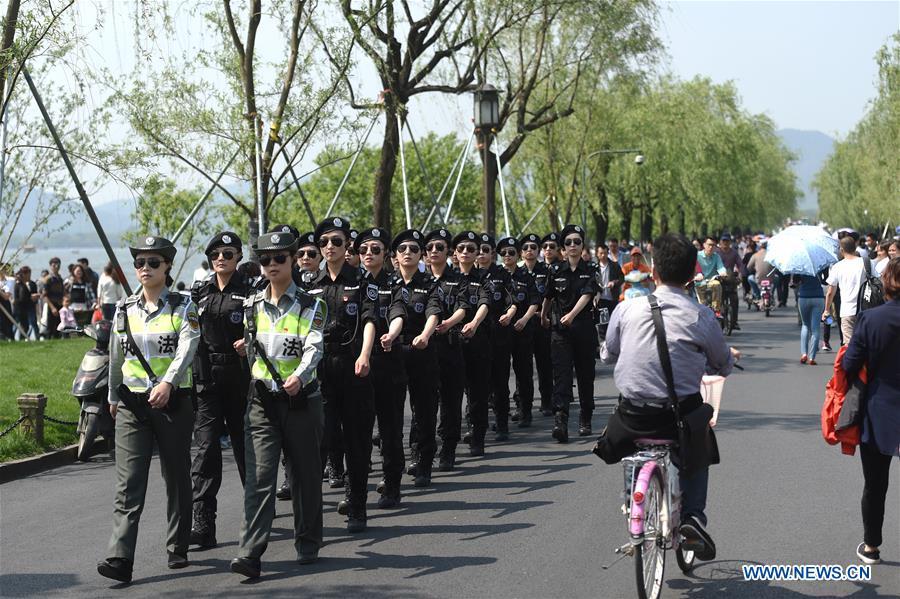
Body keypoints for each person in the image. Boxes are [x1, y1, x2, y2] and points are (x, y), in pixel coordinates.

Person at [598, 232, 739, 562]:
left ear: (654, 271)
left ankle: (636, 499)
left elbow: (608, 355)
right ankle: (692, 517)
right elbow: (721, 364)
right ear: (693, 273)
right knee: (701, 429)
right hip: (677, 418)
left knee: (634, 429)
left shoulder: (626, 310)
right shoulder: (701, 317)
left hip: (632, 416)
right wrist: (726, 358)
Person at [97, 236, 200, 584]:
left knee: (175, 474)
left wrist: (168, 383)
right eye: (140, 263)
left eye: (153, 263)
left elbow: (188, 348)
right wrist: (112, 396)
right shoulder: (124, 308)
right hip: (132, 403)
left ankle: (177, 545)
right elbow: (116, 355)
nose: (145, 269)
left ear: (167, 266)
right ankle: (120, 557)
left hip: (173, 401)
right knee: (128, 484)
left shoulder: (184, 306)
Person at [227, 231, 327, 579]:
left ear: (293, 259)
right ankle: (250, 552)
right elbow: (255, 347)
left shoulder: (312, 304)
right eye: (265, 260)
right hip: (261, 402)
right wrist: (246, 350)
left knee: (305, 474)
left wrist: (299, 376)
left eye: (279, 259)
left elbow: (314, 347)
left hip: (299, 399)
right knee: (260, 476)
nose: (271, 265)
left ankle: (309, 539)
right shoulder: (251, 305)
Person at [307, 217, 377, 533]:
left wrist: (364, 354)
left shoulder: (363, 280)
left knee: (357, 440)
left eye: (337, 241)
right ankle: (311, 515)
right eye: (324, 243)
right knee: (321, 440)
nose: (330, 248)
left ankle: (357, 505)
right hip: (321, 370)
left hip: (353, 366)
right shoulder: (309, 285)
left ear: (348, 244)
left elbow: (369, 319)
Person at [188, 232, 252, 548]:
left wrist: (250, 343)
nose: (221, 258)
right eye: (216, 253)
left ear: (239, 256)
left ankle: (255, 515)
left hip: (241, 379)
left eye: (228, 253)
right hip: (208, 380)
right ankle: (203, 524)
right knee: (205, 452)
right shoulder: (199, 292)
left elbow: (266, 327)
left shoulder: (252, 290)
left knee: (245, 450)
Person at [841, 257, 900, 566]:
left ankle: (872, 546)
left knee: (876, 483)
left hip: (879, 408)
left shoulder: (871, 319)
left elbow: (850, 365)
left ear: (886, 283)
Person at [356, 227, 407, 507]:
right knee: (359, 431)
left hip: (388, 363)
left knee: (390, 429)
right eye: (363, 250)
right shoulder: (354, 282)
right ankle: (357, 492)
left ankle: (392, 484)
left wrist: (392, 333)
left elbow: (399, 312)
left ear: (386, 254)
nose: (368, 255)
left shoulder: (395, 282)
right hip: (359, 366)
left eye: (375, 250)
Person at [392, 229, 443, 486]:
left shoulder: (431, 284)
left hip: (422, 351)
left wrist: (425, 335)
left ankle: (423, 463)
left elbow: (434, 312)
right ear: (395, 257)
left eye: (413, 249)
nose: (408, 253)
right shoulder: (387, 285)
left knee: (424, 410)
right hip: (393, 352)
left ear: (421, 255)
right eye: (403, 249)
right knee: (392, 413)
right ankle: (395, 467)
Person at [541, 224, 598, 442]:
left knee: (585, 376)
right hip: (560, 333)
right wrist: (543, 315)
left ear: (582, 245)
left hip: (583, 329)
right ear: (563, 248)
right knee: (562, 376)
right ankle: (561, 421)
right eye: (568, 243)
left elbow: (588, 294)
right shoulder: (555, 271)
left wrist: (572, 314)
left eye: (577, 242)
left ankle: (585, 418)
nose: (573, 246)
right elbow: (548, 295)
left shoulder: (590, 269)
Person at [425, 228, 468, 470]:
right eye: (430, 248)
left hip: (450, 344)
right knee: (425, 402)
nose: (434, 252)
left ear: (447, 251)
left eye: (439, 247)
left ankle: (448, 448)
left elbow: (463, 308)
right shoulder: (419, 281)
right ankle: (423, 450)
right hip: (425, 347)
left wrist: (448, 323)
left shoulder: (458, 279)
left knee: (451, 401)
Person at [451, 230, 493, 456]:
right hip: (452, 342)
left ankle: (478, 436)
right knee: (452, 393)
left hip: (478, 341)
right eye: (461, 249)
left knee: (477, 392)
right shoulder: (449, 278)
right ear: (455, 254)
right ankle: (450, 438)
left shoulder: (484, 278)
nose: (465, 252)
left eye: (470, 249)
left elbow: (485, 303)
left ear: (477, 253)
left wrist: (475, 323)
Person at [476, 233, 517, 441]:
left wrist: (509, 315)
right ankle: (477, 426)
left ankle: (502, 423)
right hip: (475, 335)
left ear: (493, 253)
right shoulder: (469, 276)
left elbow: (512, 301)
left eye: (485, 250)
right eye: (478, 250)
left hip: (499, 334)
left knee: (500, 381)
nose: (481, 254)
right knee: (478, 383)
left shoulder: (502, 274)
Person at [497, 236, 539, 428]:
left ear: (519, 254)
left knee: (523, 372)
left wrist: (524, 319)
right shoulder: (497, 276)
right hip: (502, 331)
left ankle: (525, 411)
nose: (507, 256)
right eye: (503, 253)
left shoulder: (526, 276)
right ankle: (502, 414)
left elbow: (534, 302)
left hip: (523, 328)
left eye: (511, 252)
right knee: (500, 373)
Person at [521, 233, 554, 416]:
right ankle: (523, 403)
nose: (529, 251)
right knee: (523, 365)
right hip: (523, 323)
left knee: (544, 363)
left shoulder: (546, 270)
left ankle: (547, 401)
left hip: (543, 321)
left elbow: (551, 296)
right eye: (525, 248)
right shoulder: (518, 273)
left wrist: (544, 314)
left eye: (533, 247)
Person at [824, 236, 874, 344]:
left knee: (849, 344)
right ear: (855, 247)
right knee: (866, 342)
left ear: (841, 250)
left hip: (847, 310)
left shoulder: (837, 267)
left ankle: (854, 361)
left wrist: (827, 310)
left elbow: (830, 292)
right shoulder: (867, 262)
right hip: (867, 309)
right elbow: (878, 282)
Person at [717, 233, 747, 330]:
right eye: (723, 241)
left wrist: (741, 274)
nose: (725, 243)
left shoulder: (734, 253)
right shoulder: (716, 253)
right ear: (720, 242)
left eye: (727, 241)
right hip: (719, 279)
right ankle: (718, 319)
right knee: (718, 301)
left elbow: (740, 264)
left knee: (734, 300)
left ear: (730, 242)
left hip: (731, 279)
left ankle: (734, 322)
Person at [594, 243, 623, 340]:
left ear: (608, 253)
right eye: (601, 253)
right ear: (597, 254)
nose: (603, 255)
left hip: (612, 298)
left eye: (605, 253)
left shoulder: (614, 265)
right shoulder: (594, 267)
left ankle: (614, 342)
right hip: (601, 300)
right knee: (602, 324)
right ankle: (604, 343)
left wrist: (614, 282)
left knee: (614, 322)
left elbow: (622, 278)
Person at [796, 271, 826, 365]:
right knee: (815, 328)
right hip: (818, 297)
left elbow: (795, 281)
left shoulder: (800, 267)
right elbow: (825, 281)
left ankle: (804, 354)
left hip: (804, 296)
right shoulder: (821, 265)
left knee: (805, 325)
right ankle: (812, 357)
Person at [695, 237, 727, 312]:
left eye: (713, 245)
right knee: (700, 300)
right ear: (704, 245)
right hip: (699, 282)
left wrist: (723, 273)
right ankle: (702, 309)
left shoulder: (716, 256)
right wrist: (697, 276)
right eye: (709, 245)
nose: (711, 247)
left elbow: (721, 267)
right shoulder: (697, 256)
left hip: (711, 280)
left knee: (717, 284)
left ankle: (716, 310)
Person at [14, 267, 40, 341]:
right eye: (26, 274)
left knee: (33, 322)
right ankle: (21, 337)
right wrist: (30, 297)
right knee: (21, 324)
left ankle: (37, 336)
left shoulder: (32, 284)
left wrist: (35, 298)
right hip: (21, 308)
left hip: (30, 306)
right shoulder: (18, 285)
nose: (28, 275)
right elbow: (18, 298)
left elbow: (34, 293)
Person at [0, 264, 15, 340]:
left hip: (5, 305)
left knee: (6, 324)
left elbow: (6, 296)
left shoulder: (10, 280)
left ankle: (9, 339)